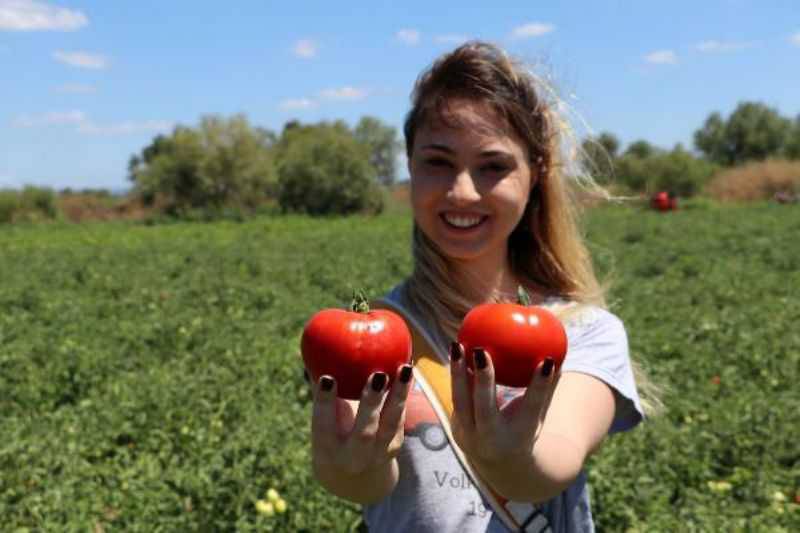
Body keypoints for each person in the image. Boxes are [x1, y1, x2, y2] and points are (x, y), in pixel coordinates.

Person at [307, 40, 656, 532]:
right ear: (410, 165)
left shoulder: (582, 333)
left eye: (493, 166)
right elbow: (368, 485)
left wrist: (509, 460)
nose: (463, 191)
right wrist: (345, 467)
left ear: (536, 173)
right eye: (438, 162)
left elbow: (552, 463)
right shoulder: (377, 337)